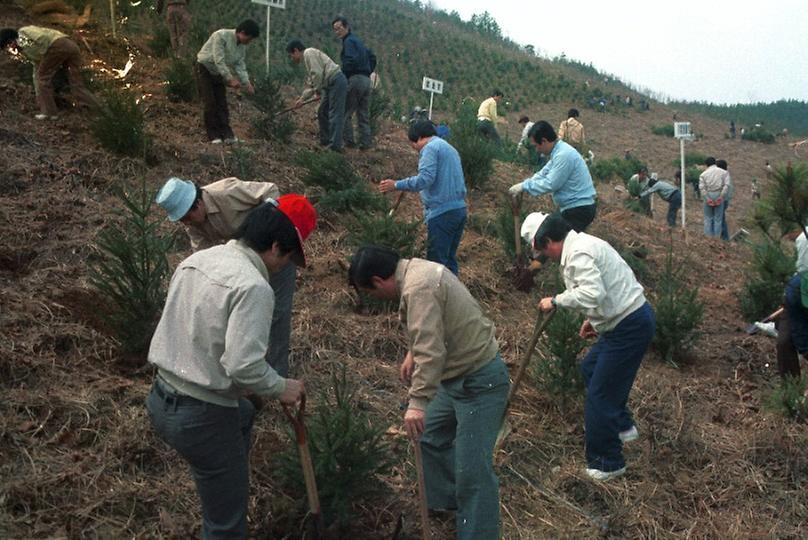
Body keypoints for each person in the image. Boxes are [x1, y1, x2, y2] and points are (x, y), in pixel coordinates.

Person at [146, 201, 311, 538]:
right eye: (286, 259)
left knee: (243, 413)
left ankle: (228, 468)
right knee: (226, 524)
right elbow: (243, 365)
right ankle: (225, 477)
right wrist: (282, 386)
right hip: (201, 417)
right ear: (276, 246)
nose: (283, 268)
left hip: (160, 399)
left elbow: (198, 330)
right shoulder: (254, 286)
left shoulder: (197, 260)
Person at [348, 245, 509, 539]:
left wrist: (418, 402)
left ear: (378, 280)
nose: (376, 299)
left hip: (478, 383)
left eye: (370, 292)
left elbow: (431, 352)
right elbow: (432, 326)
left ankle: (477, 531)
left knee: (473, 472)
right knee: (428, 436)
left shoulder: (419, 286)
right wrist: (412, 351)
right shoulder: (415, 270)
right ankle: (451, 504)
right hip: (453, 379)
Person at [525, 213, 655, 480]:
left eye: (542, 249)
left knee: (599, 395)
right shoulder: (583, 245)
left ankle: (607, 462)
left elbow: (593, 292)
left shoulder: (579, 253)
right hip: (623, 319)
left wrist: (557, 300)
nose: (545, 256)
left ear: (548, 241)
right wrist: (594, 319)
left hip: (628, 326)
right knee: (590, 367)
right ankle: (622, 426)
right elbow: (605, 285)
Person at [156, 177, 317, 377]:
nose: (187, 224)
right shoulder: (193, 226)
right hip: (240, 259)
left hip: (275, 251)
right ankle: (239, 367)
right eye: (182, 221)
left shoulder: (227, 191)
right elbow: (205, 256)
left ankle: (276, 373)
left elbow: (271, 189)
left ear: (197, 204)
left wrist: (266, 224)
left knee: (277, 312)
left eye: (187, 218)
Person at [378, 121, 467, 275]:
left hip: (443, 213)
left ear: (419, 138)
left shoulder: (430, 148)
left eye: (413, 144)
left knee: (436, 265)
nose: (415, 149)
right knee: (449, 260)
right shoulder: (449, 148)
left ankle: (437, 297)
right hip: (459, 210)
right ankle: (453, 293)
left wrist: (396, 185)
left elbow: (425, 179)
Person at [508, 121, 597, 232]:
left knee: (557, 240)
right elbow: (544, 172)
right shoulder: (558, 151)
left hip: (579, 209)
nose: (536, 150)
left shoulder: (563, 155)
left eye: (536, 146)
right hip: (573, 208)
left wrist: (526, 186)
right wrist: (524, 184)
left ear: (544, 141)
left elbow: (551, 183)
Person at [0, 26, 100, 120]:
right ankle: (100, 111)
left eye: (8, 46)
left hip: (58, 45)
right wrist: (38, 92)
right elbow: (37, 68)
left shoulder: (23, 32)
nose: (10, 49)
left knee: (43, 79)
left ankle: (50, 113)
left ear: (10, 40)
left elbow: (41, 37)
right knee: (76, 84)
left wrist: (45, 53)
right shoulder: (26, 50)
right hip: (71, 47)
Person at [196, 20, 259, 144]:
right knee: (210, 102)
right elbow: (218, 60)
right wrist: (230, 79)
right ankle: (213, 136)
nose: (249, 42)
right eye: (249, 38)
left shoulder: (241, 47)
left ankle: (227, 135)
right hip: (205, 68)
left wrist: (247, 83)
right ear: (242, 32)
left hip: (219, 73)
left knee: (222, 103)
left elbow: (240, 65)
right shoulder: (221, 36)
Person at [287, 39, 347, 152]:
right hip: (330, 85)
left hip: (336, 81)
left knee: (335, 114)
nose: (292, 59)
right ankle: (326, 140)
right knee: (322, 111)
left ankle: (335, 146)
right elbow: (312, 81)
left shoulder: (309, 53)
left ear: (295, 51)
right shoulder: (307, 58)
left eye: (291, 55)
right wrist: (302, 98)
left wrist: (317, 90)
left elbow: (317, 74)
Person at [332, 16, 376, 150]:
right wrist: (368, 71)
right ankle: (366, 144)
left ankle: (349, 143)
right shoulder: (359, 42)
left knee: (345, 112)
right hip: (367, 81)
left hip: (355, 79)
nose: (337, 32)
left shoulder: (348, 42)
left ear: (346, 27)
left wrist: (344, 77)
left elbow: (349, 61)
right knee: (363, 114)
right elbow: (372, 57)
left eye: (339, 28)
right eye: (335, 29)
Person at [776, 229, 808, 379]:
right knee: (785, 342)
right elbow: (799, 328)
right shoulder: (795, 289)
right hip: (797, 297)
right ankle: (791, 391)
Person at [698, 157, 729, 238]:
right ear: (715, 162)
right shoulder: (724, 172)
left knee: (708, 218)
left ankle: (708, 238)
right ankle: (717, 238)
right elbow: (726, 185)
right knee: (718, 219)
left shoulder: (703, 174)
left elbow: (702, 188)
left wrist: (707, 199)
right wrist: (721, 197)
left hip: (708, 193)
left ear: (706, 164)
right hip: (719, 193)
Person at [717, 159, 734, 241]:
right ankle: (723, 237)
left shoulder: (723, 176)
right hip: (724, 200)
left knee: (720, 219)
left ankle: (725, 238)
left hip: (722, 201)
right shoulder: (726, 175)